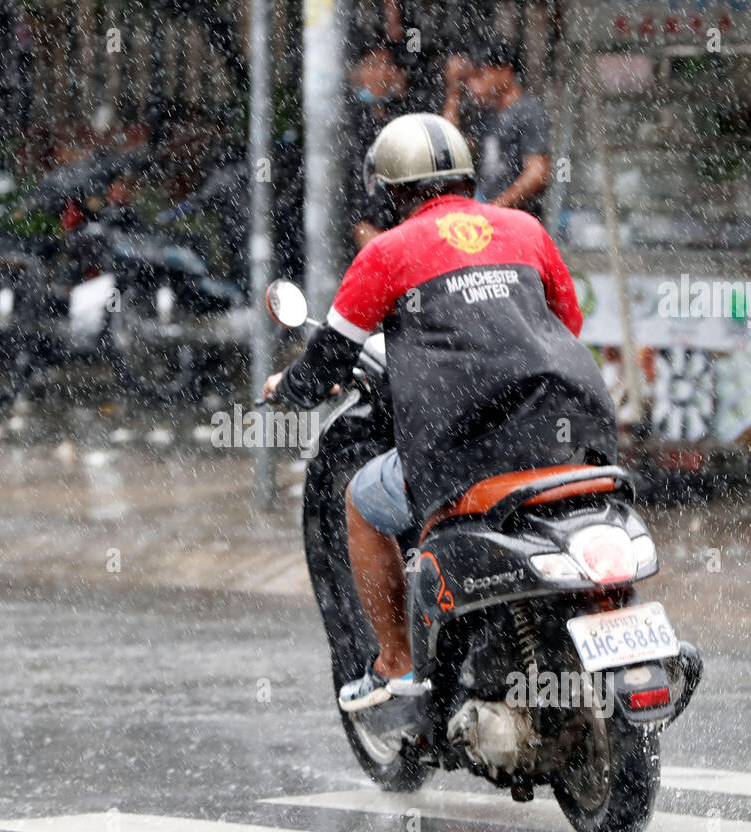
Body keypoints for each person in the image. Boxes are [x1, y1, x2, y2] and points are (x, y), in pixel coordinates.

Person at [262, 114, 616, 711]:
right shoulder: (524, 229)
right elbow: (568, 323)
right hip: (570, 432)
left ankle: (396, 662)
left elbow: (328, 361)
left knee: (362, 502)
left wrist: (287, 389)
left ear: (391, 190)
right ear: (466, 176)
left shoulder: (386, 254)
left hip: (467, 451)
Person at [443, 40, 551, 220]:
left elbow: (537, 173)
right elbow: (450, 148)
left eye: (479, 76)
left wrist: (495, 208)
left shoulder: (528, 111)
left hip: (518, 221)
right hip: (489, 214)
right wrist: (453, 89)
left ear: (505, 71)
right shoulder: (485, 114)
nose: (472, 86)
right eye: (468, 80)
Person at [346, 43, 406, 252]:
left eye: (387, 65)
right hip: (362, 224)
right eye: (372, 65)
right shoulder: (347, 120)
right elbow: (350, 187)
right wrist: (359, 225)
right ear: (356, 73)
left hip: (399, 223)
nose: (381, 72)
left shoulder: (402, 115)